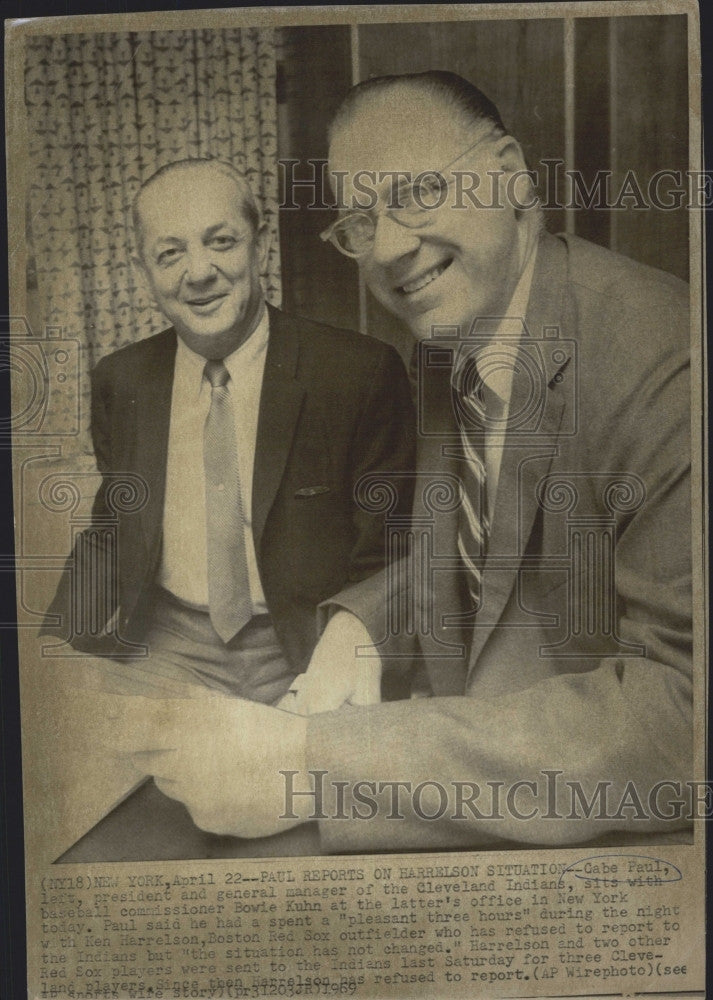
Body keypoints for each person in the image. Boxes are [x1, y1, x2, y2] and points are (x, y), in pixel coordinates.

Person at [120, 73, 693, 850]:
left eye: (418, 191)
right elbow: (480, 560)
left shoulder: (670, 360)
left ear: (511, 174)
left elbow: (683, 719)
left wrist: (309, 763)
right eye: (360, 220)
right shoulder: (447, 348)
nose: (388, 246)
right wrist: (366, 624)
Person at [42, 157, 415, 706]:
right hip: (166, 644)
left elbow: (389, 557)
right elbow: (113, 533)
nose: (197, 273)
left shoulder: (358, 373)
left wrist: (344, 652)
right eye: (170, 254)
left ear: (259, 248)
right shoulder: (120, 382)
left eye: (220, 242)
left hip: (305, 644)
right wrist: (49, 649)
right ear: (144, 271)